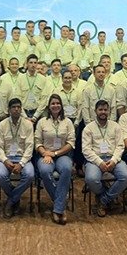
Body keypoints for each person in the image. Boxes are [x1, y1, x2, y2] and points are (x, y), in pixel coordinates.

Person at [81, 99, 127, 217]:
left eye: (105, 110)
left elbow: (120, 146)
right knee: (91, 179)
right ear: (95, 111)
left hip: (113, 158)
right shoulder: (88, 128)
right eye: (100, 110)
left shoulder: (116, 126)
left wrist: (113, 161)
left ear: (109, 111)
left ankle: (103, 200)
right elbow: (86, 150)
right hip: (95, 160)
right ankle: (108, 195)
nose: (103, 112)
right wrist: (99, 162)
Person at [35, 94, 76, 225]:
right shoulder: (42, 122)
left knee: (67, 168)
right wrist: (45, 153)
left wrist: (56, 153)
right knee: (45, 171)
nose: (55, 105)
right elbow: (37, 142)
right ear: (48, 106)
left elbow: (71, 143)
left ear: (61, 106)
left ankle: (57, 207)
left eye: (58, 103)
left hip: (62, 155)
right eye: (53, 103)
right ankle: (61, 205)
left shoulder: (68, 122)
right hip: (45, 155)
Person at [0, 98, 34, 218]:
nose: (16, 109)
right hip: (6, 158)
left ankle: (11, 201)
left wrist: (21, 164)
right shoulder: (2, 125)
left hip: (23, 158)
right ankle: (15, 198)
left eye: (18, 107)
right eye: (14, 107)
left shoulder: (28, 124)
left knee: (30, 175)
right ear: (9, 110)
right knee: (0, 175)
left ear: (21, 109)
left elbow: (30, 147)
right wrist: (5, 161)